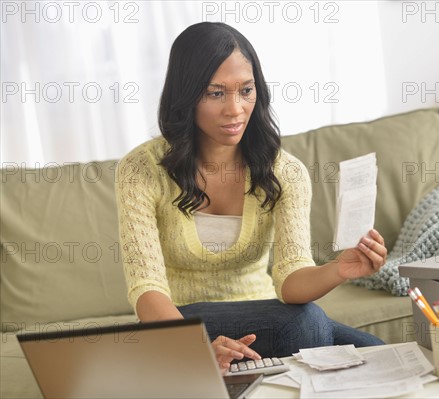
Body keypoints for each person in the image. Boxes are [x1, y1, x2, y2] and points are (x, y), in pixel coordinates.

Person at [115, 22, 387, 375]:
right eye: (215, 93)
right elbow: (146, 289)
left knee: (378, 354)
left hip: (269, 322)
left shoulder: (285, 172)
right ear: (186, 95)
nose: (235, 109)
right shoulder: (141, 170)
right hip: (177, 324)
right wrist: (194, 350)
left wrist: (339, 268)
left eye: (246, 90)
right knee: (307, 325)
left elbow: (292, 281)